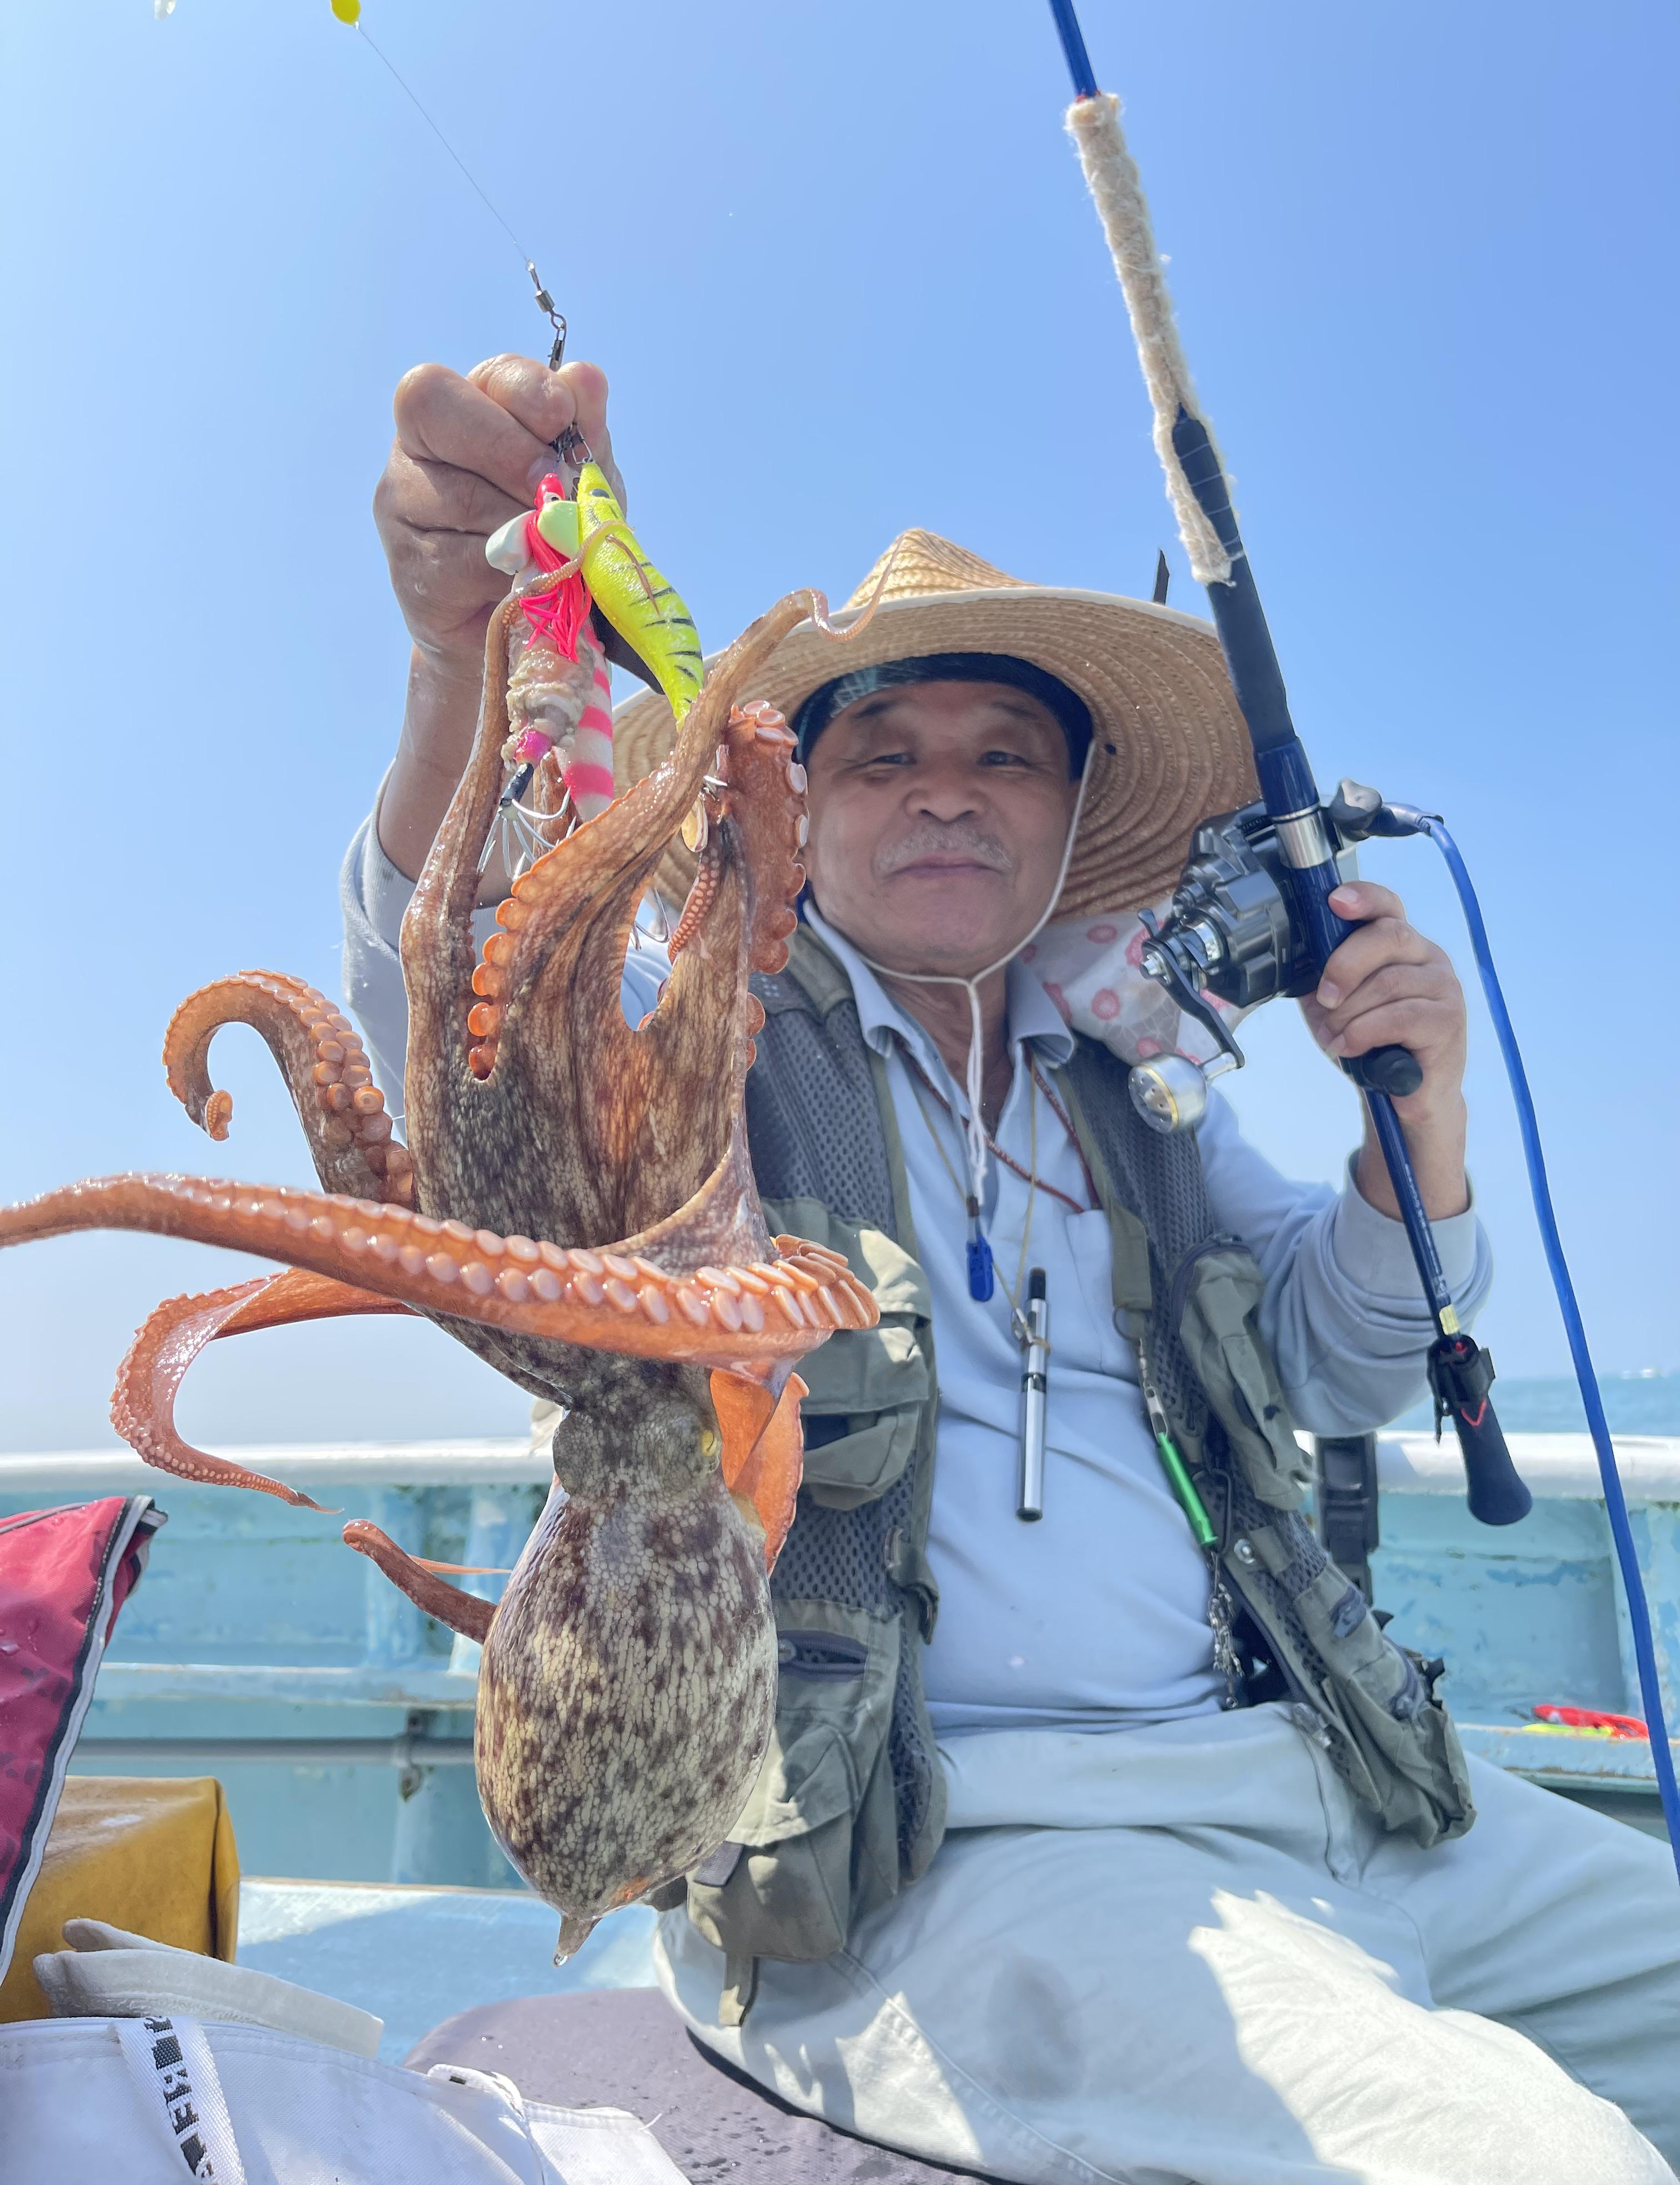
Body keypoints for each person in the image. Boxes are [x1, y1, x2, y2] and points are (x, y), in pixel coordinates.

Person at [343, 353, 1680, 2185]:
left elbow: (1350, 1362)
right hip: (934, 1850)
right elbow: (486, 1028)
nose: (946, 797)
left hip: (1325, 1781)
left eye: (1004, 757)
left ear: (1069, 817)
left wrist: (1412, 1127)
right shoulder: (712, 1048)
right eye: (882, 755)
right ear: (796, 808)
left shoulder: (1134, 1086)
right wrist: (453, 663)